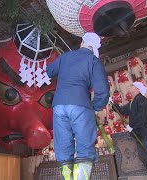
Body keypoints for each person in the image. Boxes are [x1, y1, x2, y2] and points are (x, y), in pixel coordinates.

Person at [46, 32, 109, 180]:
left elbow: (49, 71)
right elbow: (102, 90)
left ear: (82, 42)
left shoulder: (65, 56)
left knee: (63, 146)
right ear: (94, 48)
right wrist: (95, 106)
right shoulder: (93, 60)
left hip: (59, 106)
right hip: (80, 105)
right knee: (85, 147)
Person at [112, 82, 147, 180]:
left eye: (132, 86)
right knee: (143, 157)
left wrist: (132, 126)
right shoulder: (132, 102)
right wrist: (114, 105)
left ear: (137, 89)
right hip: (139, 135)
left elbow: (142, 117)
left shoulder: (142, 100)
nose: (129, 87)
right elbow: (123, 111)